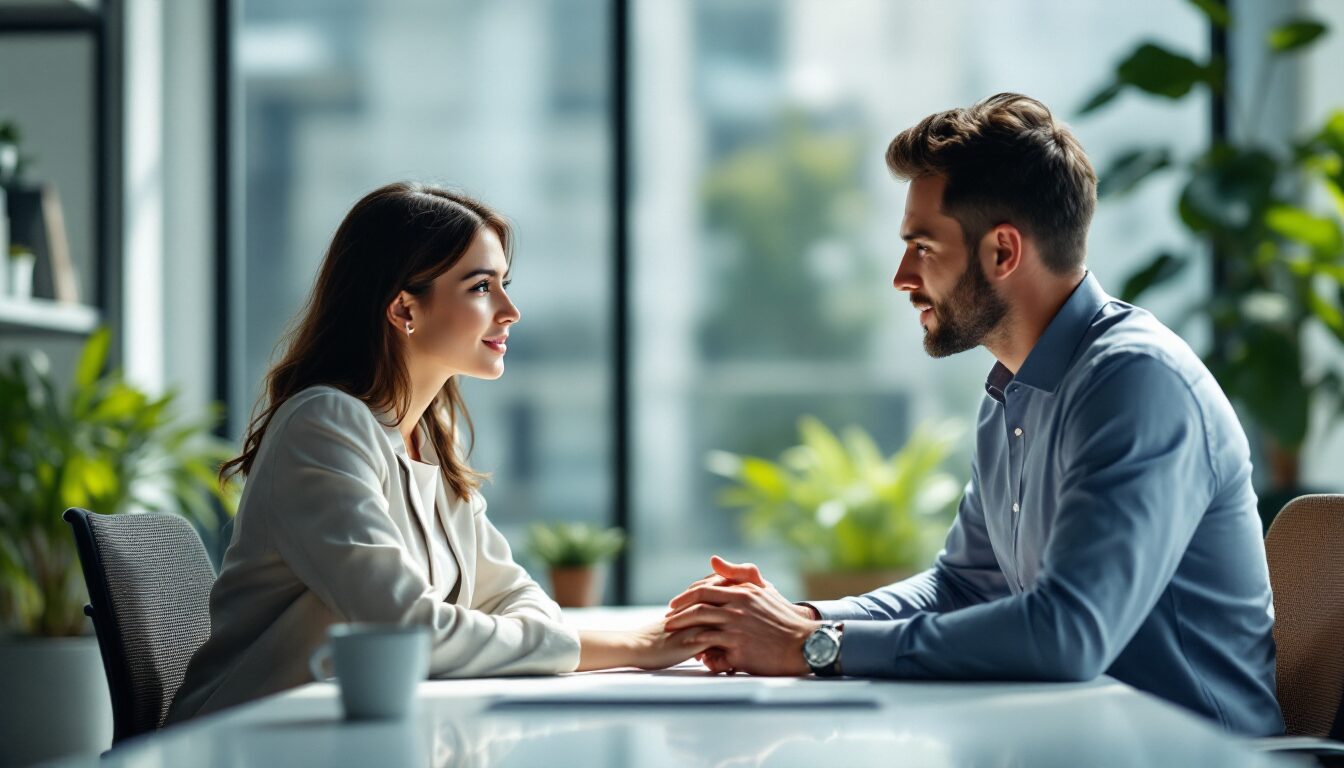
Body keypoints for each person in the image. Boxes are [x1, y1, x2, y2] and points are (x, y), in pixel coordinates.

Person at [664, 93, 1284, 737]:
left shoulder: (1136, 382)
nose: (902, 276)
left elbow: (1067, 634)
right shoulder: (1013, 392)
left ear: (1002, 252)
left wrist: (817, 648)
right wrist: (798, 619)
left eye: (923, 247)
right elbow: (961, 588)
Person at [168, 182, 710, 722]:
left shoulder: (430, 436)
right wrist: (639, 647)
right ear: (405, 308)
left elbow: (513, 596)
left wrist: (566, 639)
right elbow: (408, 631)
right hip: (246, 744)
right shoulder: (325, 426)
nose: (510, 310)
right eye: (481, 287)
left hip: (356, 737)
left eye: (504, 284)